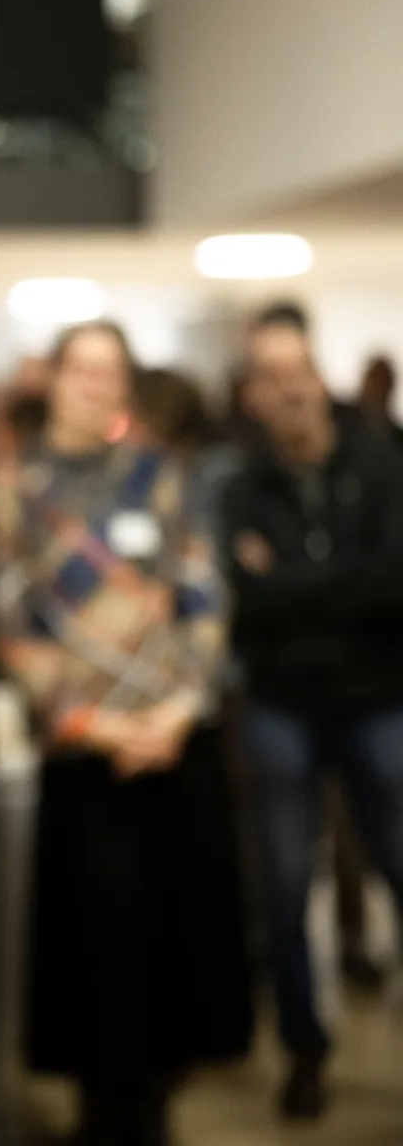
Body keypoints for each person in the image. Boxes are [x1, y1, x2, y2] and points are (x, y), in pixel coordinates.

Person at [0, 321, 252, 1146]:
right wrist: (89, 724)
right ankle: (104, 1117)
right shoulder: (12, 488)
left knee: (180, 937)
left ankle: (158, 1111)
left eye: (113, 372)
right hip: (84, 751)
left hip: (176, 742)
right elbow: (11, 621)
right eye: (83, 370)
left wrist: (178, 712)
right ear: (53, 379)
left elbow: (204, 595)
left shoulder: (158, 476)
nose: (98, 385)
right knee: (99, 948)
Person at [220, 304, 403, 1121]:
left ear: (318, 373)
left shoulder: (381, 459)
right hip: (283, 706)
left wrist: (293, 586)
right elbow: (246, 604)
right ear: (253, 392)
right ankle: (304, 1051)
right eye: (273, 378)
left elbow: (392, 582)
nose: (290, 390)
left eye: (299, 372)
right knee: (287, 888)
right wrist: (332, 589)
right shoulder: (239, 486)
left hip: (377, 698)